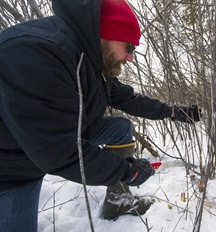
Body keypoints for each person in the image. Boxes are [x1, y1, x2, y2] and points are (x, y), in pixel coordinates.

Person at [0, 0, 200, 230]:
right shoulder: (36, 53)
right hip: (11, 168)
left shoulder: (90, 59)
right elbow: (58, 151)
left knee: (120, 128)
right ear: (106, 34)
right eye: (129, 47)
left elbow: (127, 98)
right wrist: (126, 171)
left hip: (56, 141)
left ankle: (118, 202)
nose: (130, 58)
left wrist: (173, 112)